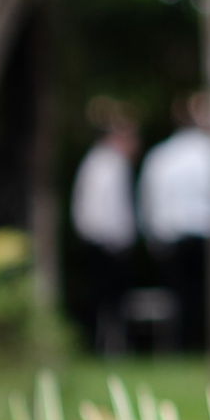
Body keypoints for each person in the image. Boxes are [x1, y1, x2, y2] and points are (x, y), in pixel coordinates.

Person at [139, 94, 210, 353]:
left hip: (171, 237)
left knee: (178, 296)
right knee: (204, 297)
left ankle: (181, 346)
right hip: (205, 235)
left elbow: (148, 199)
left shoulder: (161, 156)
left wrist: (152, 234)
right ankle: (203, 344)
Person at [71, 111, 140, 355]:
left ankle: (109, 345)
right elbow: (106, 210)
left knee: (107, 300)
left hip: (102, 241)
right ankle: (106, 346)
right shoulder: (107, 164)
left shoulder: (99, 162)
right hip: (105, 243)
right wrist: (118, 240)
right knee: (106, 300)